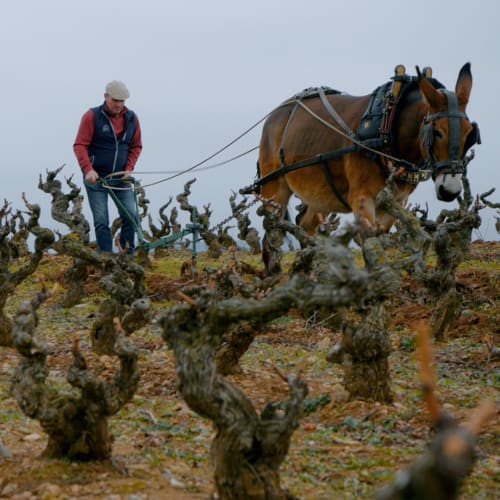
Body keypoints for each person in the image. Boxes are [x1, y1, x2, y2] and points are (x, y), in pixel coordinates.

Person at [73, 80, 142, 254]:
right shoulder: (92, 116)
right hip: (97, 179)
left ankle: (127, 254)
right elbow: (80, 145)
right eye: (115, 100)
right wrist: (88, 169)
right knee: (101, 219)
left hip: (120, 177)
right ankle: (105, 257)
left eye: (122, 101)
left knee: (131, 215)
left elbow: (136, 146)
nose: (119, 105)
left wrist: (129, 168)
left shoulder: (132, 118)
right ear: (106, 97)